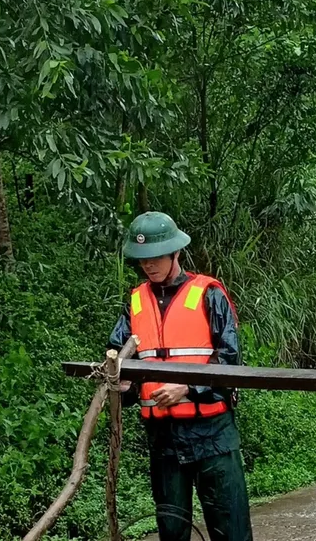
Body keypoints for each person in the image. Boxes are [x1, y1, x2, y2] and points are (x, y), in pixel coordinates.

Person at [108, 211, 253, 541]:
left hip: (212, 434)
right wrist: (122, 384)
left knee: (231, 530)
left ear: (176, 252)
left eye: (156, 256)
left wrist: (188, 387)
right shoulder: (134, 303)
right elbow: (118, 357)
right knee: (172, 532)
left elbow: (230, 361)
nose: (149, 265)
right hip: (163, 439)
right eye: (143, 259)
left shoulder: (208, 294)